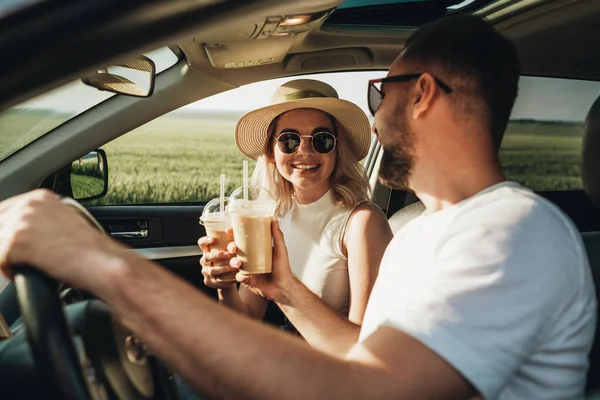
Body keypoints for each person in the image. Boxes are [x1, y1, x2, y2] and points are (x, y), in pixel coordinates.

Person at [0, 14, 596, 399]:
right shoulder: (426, 233)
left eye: (380, 93)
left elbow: (366, 391)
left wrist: (105, 265)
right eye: (290, 140)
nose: (377, 114)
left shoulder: (510, 230)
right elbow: (361, 355)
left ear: (422, 95)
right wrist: (277, 285)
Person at [198, 79, 393, 350]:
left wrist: (286, 289)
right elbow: (247, 320)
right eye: (289, 140)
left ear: (338, 151)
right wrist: (226, 286)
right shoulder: (271, 217)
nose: (305, 150)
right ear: (270, 153)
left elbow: (366, 347)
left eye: (322, 140)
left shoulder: (361, 223)